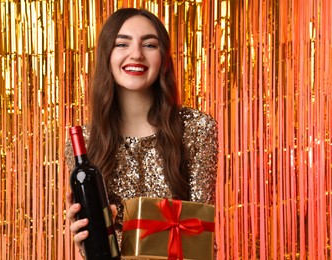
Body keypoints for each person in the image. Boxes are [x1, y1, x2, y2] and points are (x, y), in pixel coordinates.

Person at [65, 8, 218, 259]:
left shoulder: (197, 128)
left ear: (164, 58)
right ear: (107, 55)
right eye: (122, 43)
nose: (136, 54)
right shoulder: (84, 145)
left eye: (149, 44)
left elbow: (201, 238)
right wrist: (86, 244)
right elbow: (98, 250)